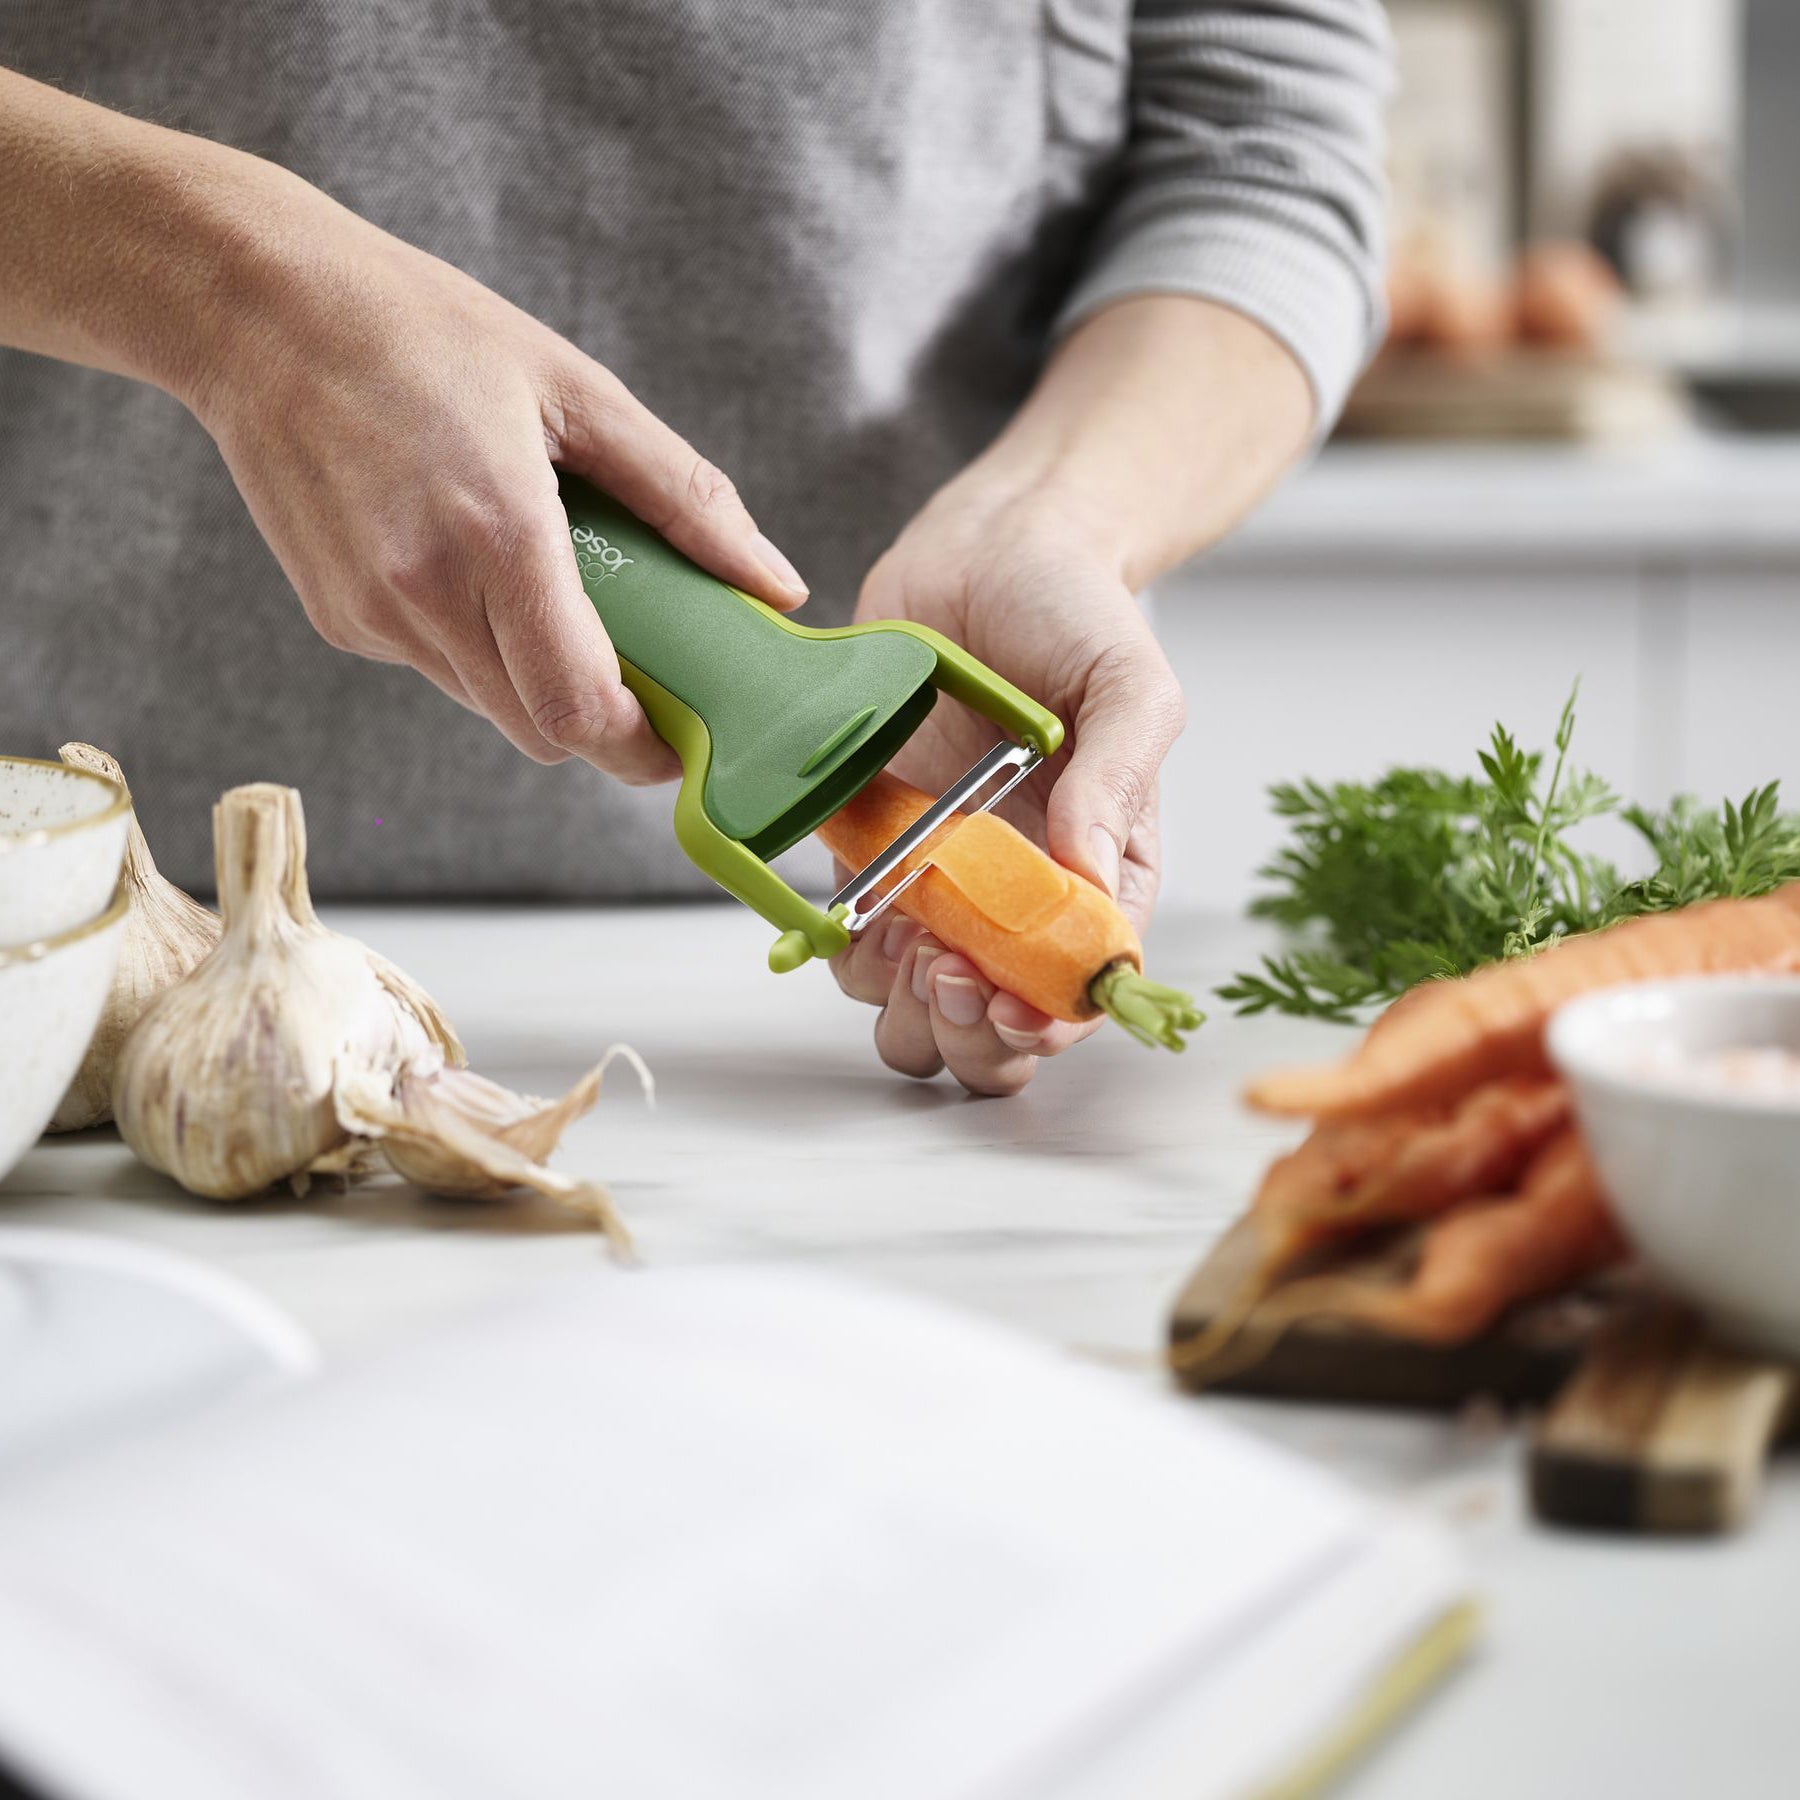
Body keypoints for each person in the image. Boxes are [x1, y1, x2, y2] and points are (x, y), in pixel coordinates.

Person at [0, 2, 1389, 1095]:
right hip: (80, 942)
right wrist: (227, 295)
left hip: (792, 981)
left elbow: (1266, 133)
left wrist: (1053, 515)